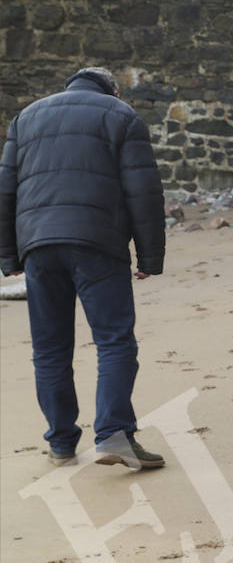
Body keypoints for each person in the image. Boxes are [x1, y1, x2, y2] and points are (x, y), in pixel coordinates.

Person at [0, 67, 166, 469]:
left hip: (38, 245)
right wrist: (149, 257)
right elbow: (143, 191)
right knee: (114, 341)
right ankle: (113, 435)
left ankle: (60, 443)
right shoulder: (121, 115)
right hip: (98, 243)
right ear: (113, 91)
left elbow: (5, 191)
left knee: (50, 348)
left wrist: (9, 257)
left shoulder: (26, 117)